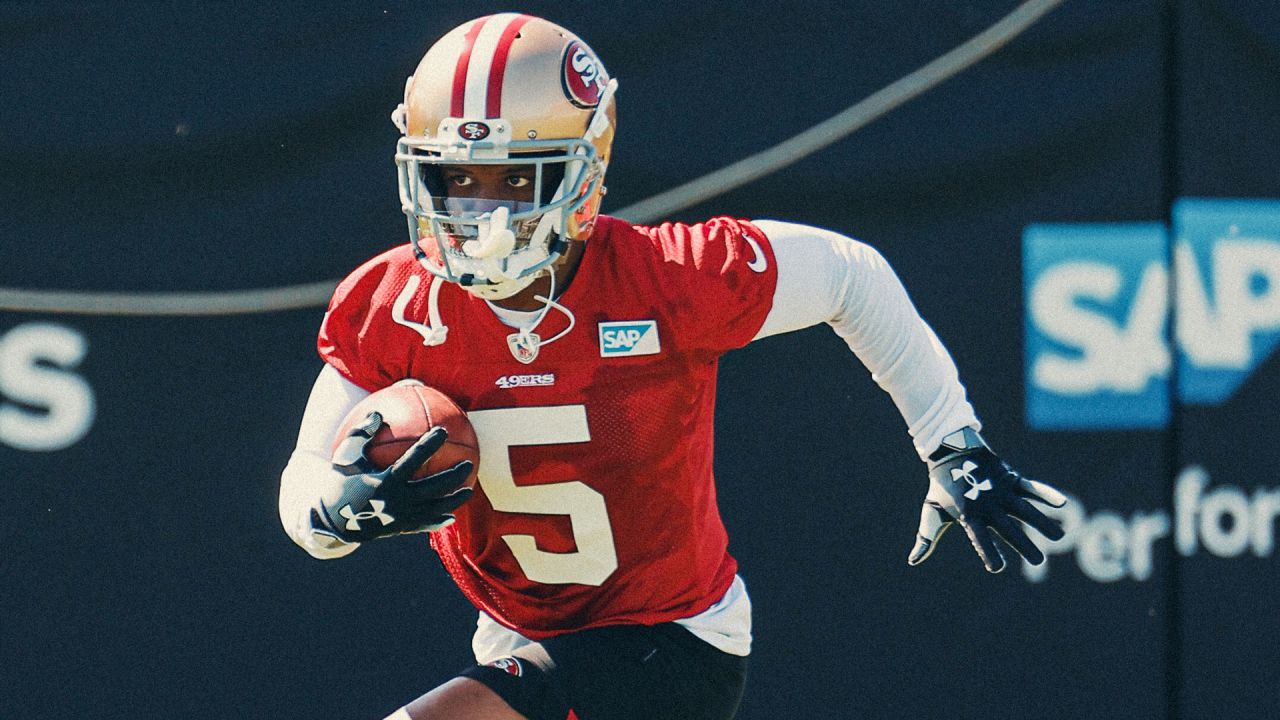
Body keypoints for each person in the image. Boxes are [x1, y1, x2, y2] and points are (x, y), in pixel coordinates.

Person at [278, 13, 1067, 720]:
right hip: (521, 642)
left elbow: (847, 274)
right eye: (459, 179)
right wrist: (336, 512)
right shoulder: (394, 304)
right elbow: (305, 482)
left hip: (672, 641)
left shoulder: (667, 279)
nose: (482, 212)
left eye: (518, 178)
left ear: (582, 172)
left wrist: (951, 438)